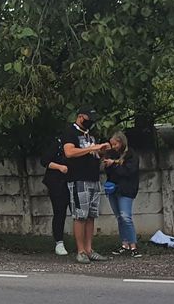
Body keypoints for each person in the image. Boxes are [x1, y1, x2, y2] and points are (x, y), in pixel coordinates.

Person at [61, 109, 110, 264]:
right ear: (81, 116)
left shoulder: (91, 134)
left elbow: (94, 154)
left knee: (91, 215)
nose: (91, 121)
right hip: (78, 179)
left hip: (93, 178)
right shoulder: (70, 132)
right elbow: (69, 152)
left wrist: (101, 151)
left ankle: (89, 249)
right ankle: (80, 250)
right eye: (89, 118)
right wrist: (92, 148)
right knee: (80, 215)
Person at [102, 132, 140, 256]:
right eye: (112, 144)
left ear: (122, 142)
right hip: (113, 188)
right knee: (119, 217)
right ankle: (124, 244)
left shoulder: (131, 154)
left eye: (116, 144)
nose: (114, 146)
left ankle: (133, 246)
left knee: (126, 217)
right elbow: (108, 171)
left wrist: (115, 164)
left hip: (127, 189)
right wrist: (110, 164)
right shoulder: (111, 154)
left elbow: (129, 171)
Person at [39, 134, 71, 256]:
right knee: (59, 211)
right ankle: (59, 242)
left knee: (79, 214)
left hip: (73, 181)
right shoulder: (57, 144)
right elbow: (44, 161)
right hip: (57, 182)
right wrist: (59, 167)